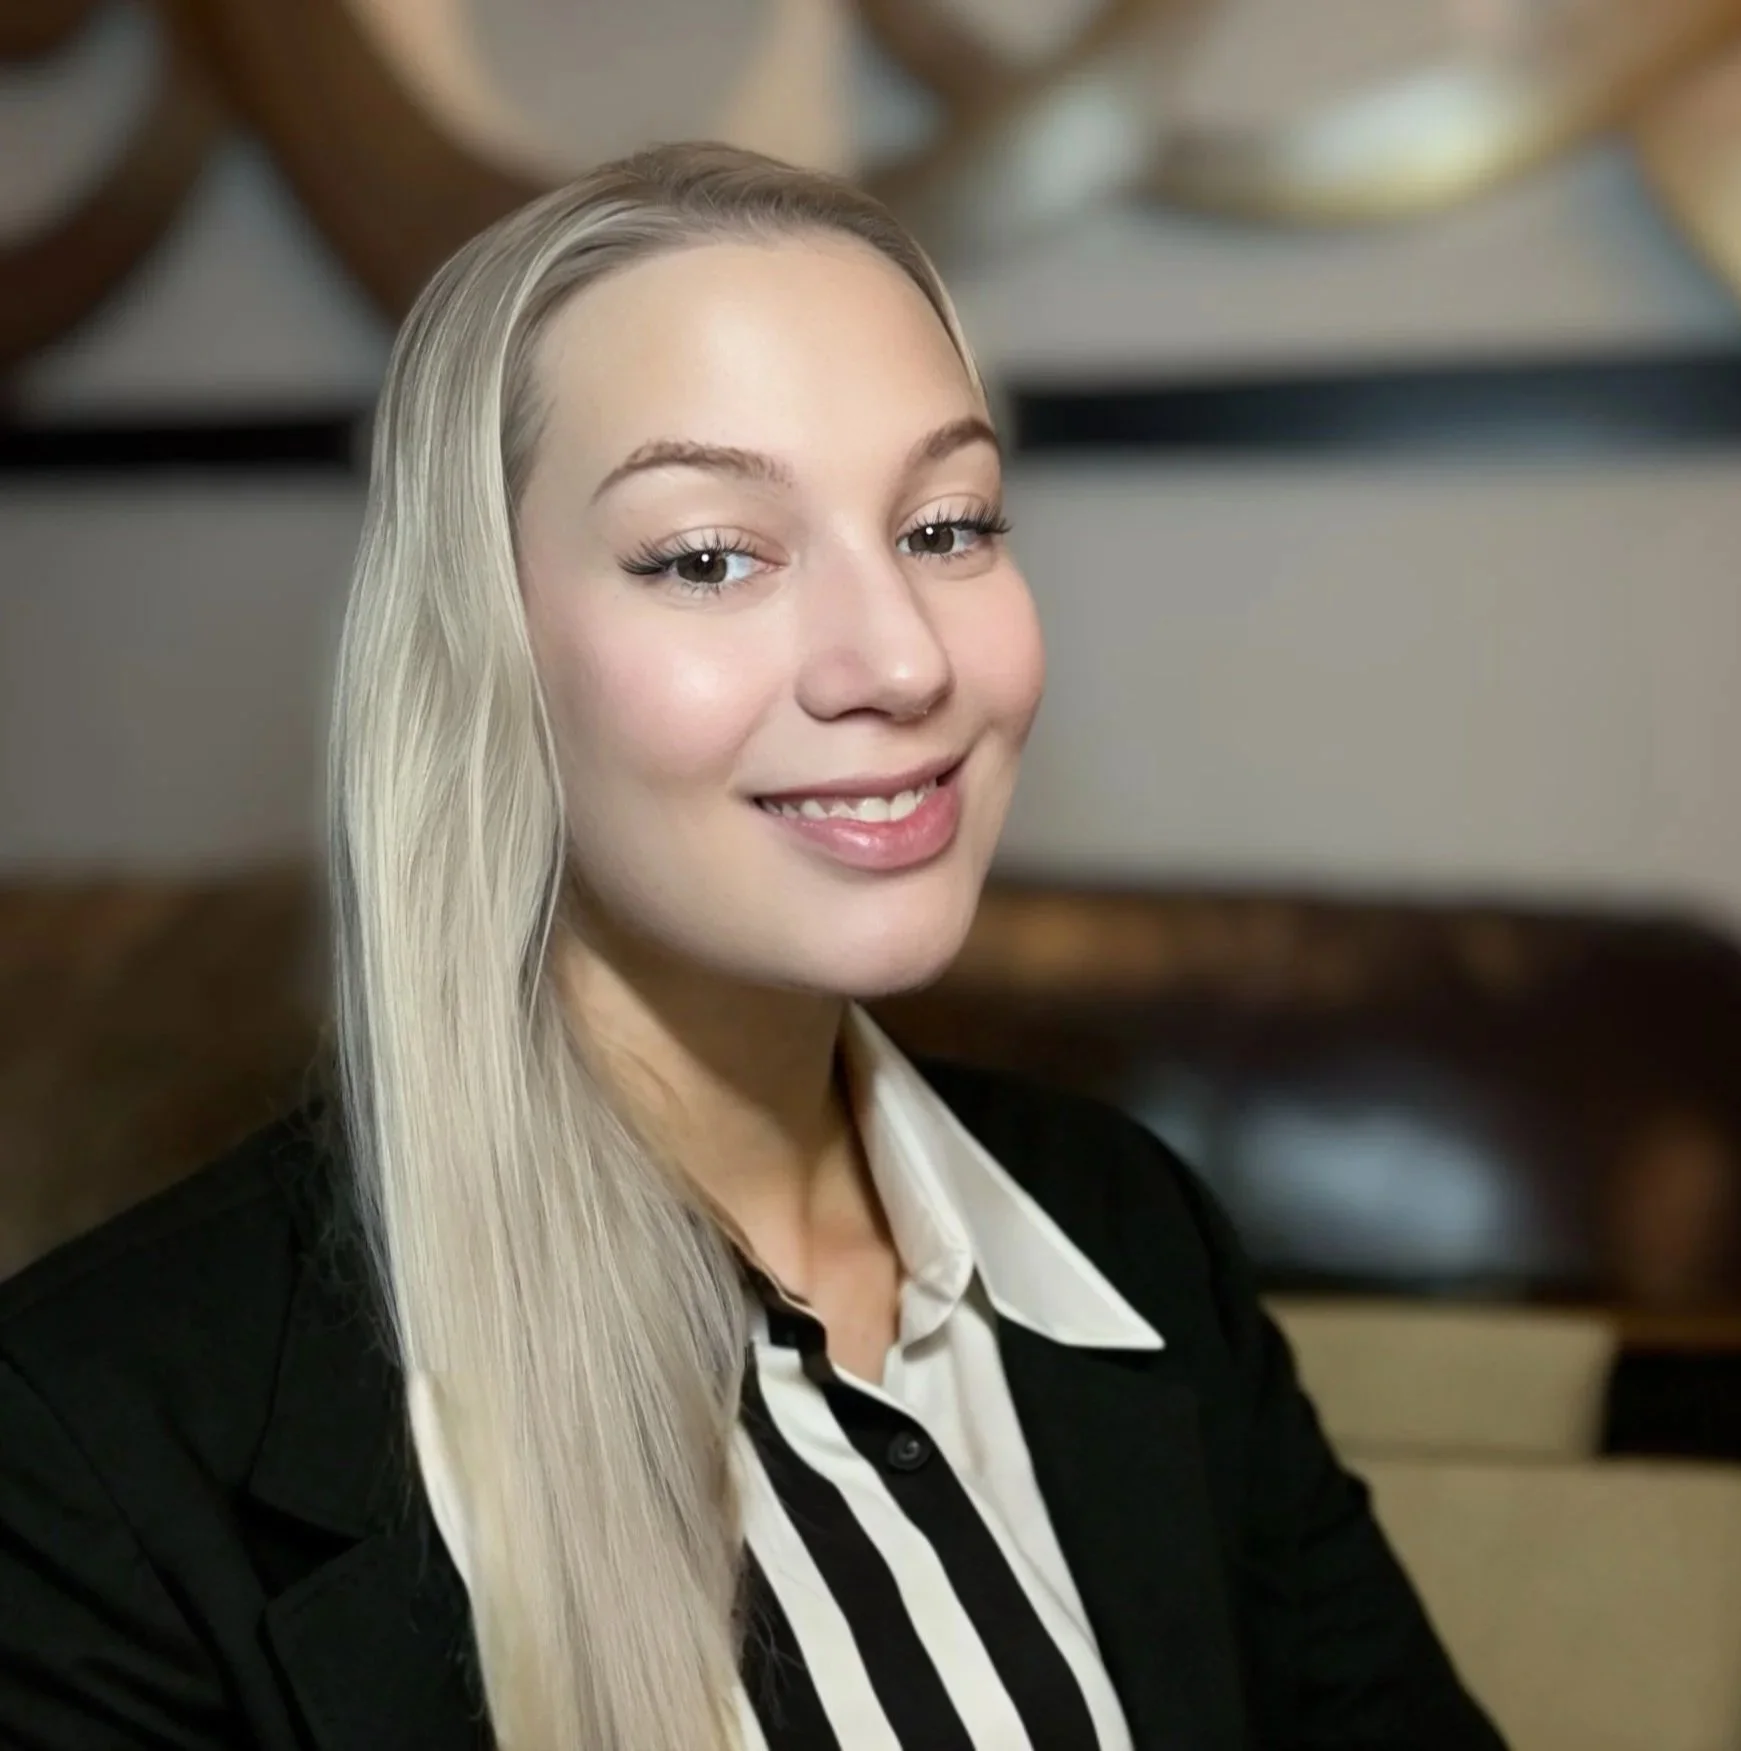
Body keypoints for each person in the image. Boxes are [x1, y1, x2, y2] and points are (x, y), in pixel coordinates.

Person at [0, 143, 1505, 1751]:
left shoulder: (1128, 1241)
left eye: (946, 525)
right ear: (478, 657)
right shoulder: (93, 1446)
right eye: (712, 555)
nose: (900, 660)